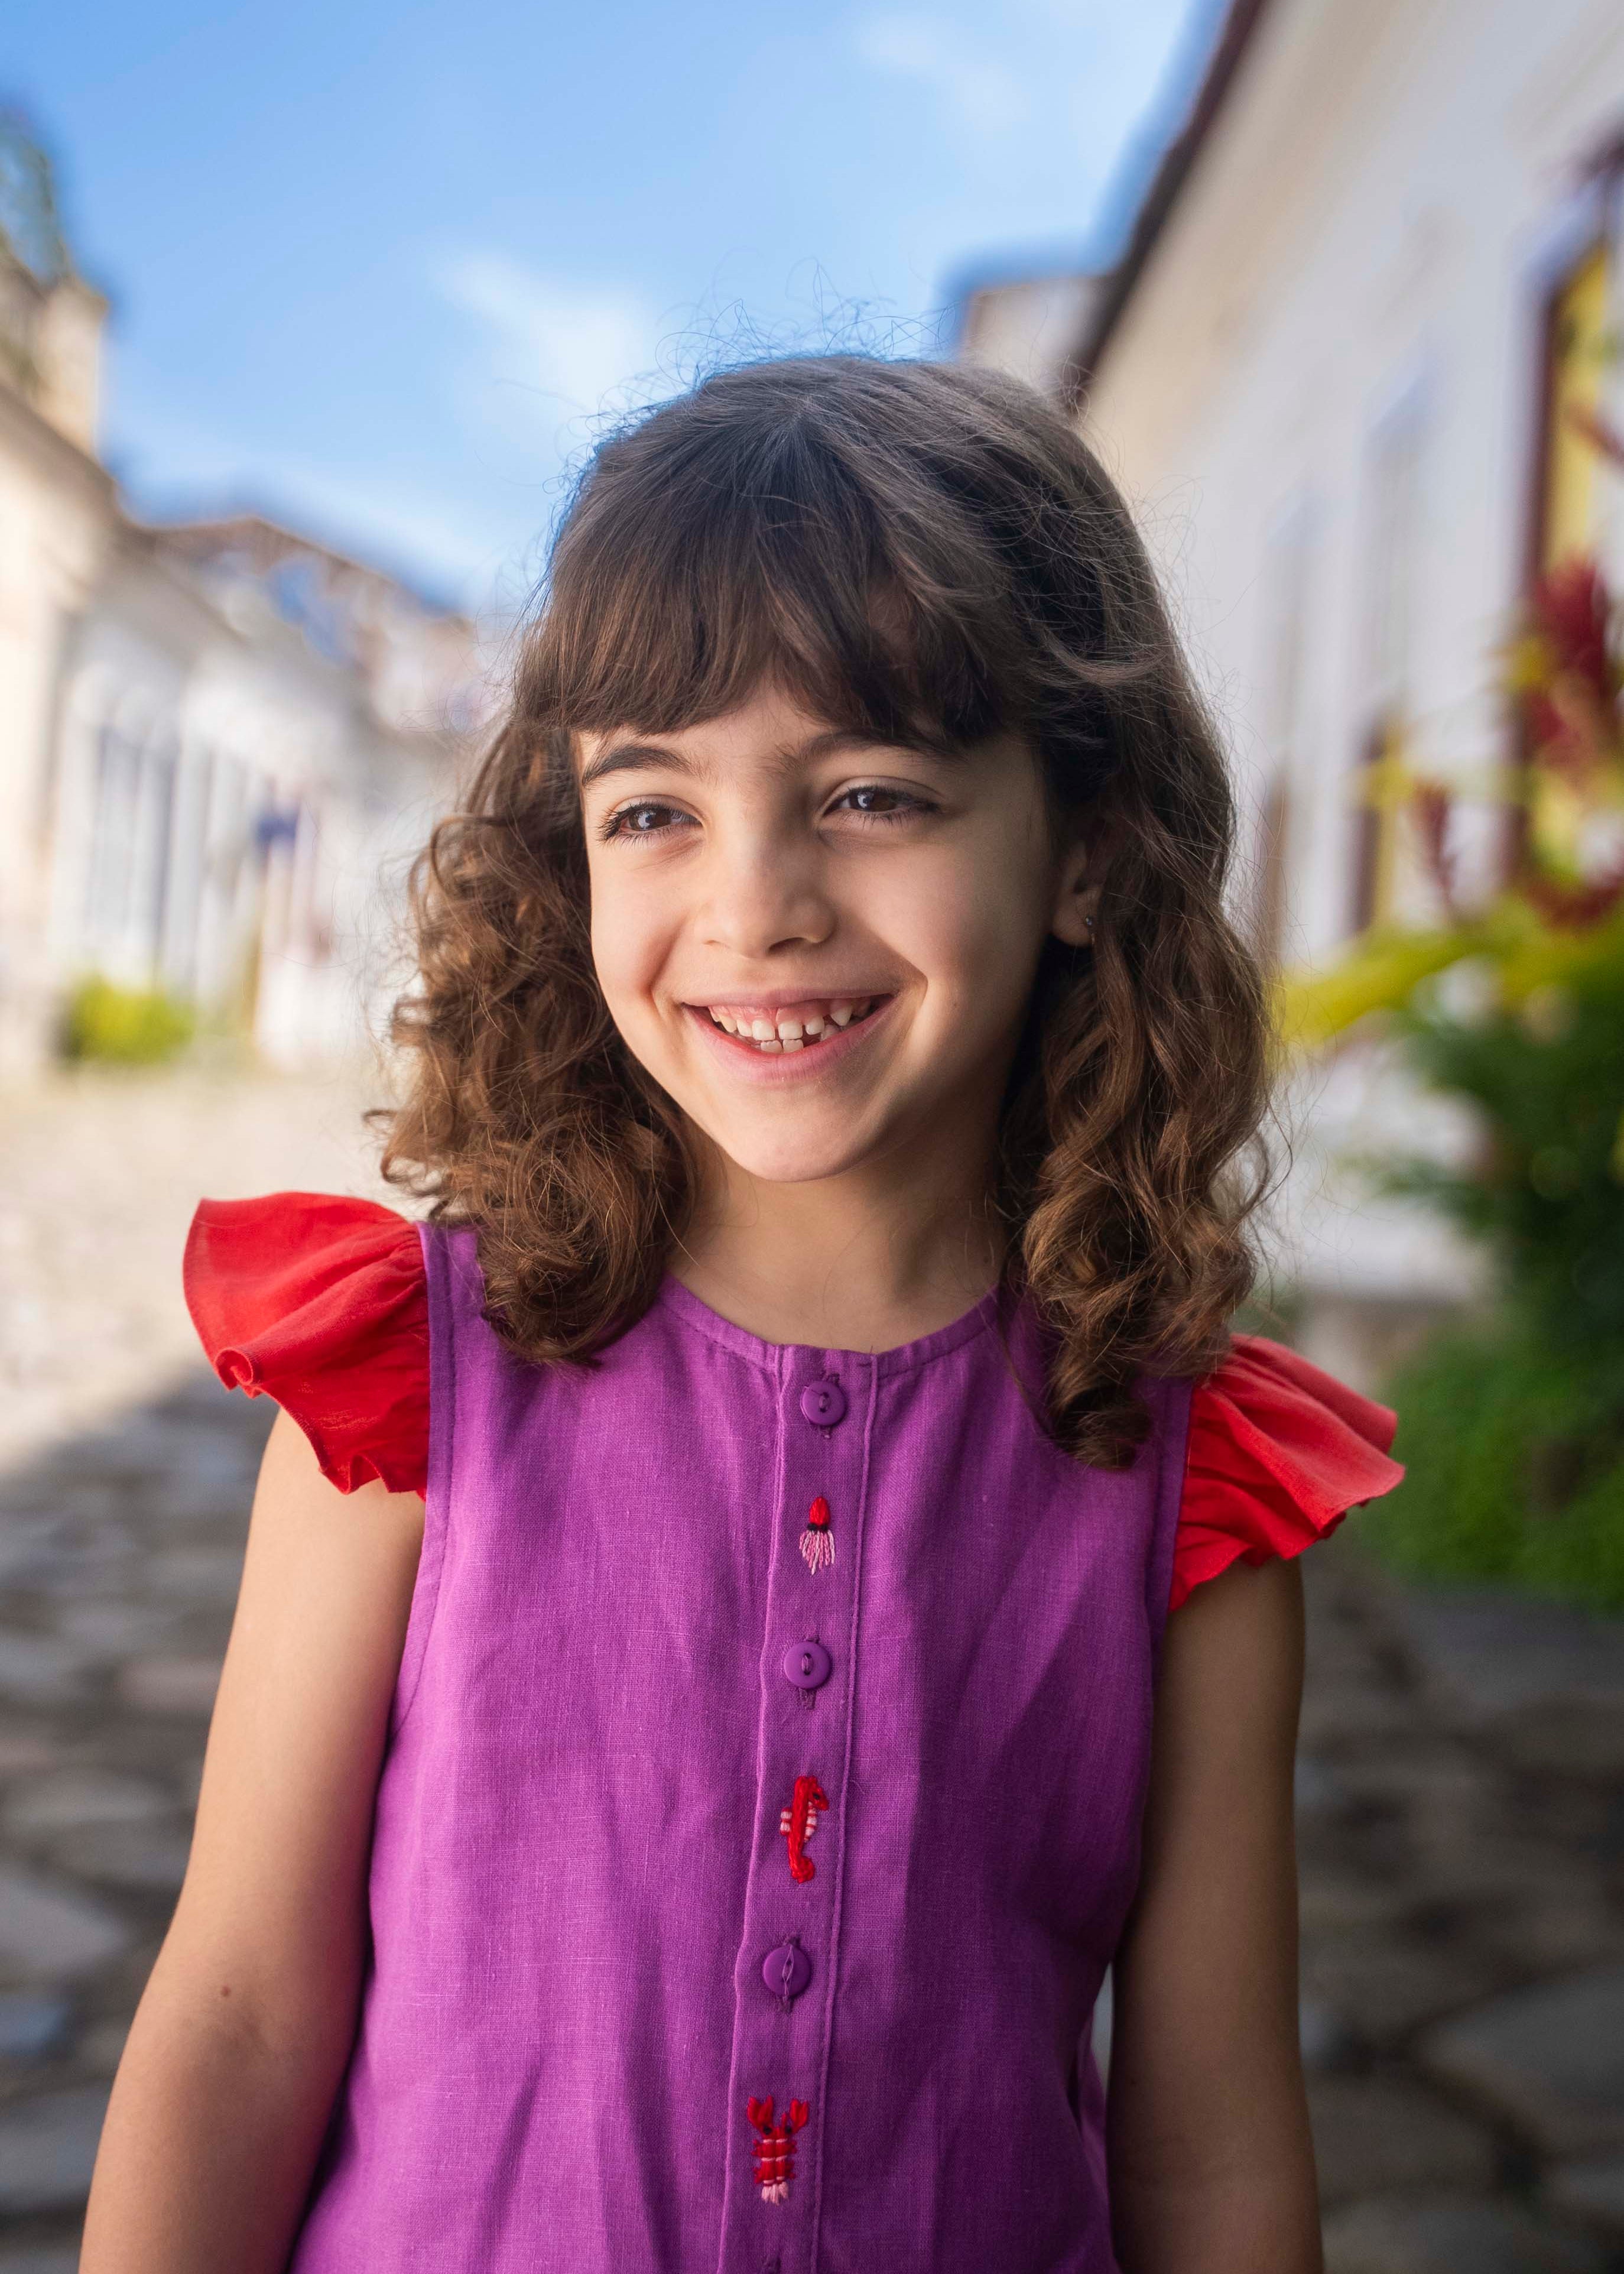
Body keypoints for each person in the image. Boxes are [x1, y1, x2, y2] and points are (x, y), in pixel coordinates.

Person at [82, 355, 1401, 2274]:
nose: (754, 902)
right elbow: (241, 2022)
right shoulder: (404, 1394)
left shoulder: (1190, 1494)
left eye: (868, 794)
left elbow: (1208, 2157)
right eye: (653, 810)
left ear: (1088, 848)